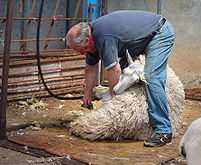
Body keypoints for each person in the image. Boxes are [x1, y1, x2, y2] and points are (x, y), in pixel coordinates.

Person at [66, 10, 175, 147]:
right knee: (127, 78)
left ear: (87, 41)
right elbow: (90, 68)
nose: (80, 53)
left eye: (79, 49)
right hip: (140, 39)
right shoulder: (91, 38)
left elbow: (114, 69)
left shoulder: (102, 36)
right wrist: (87, 94)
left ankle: (164, 131)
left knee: (152, 77)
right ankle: (134, 120)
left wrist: (113, 97)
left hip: (159, 32)